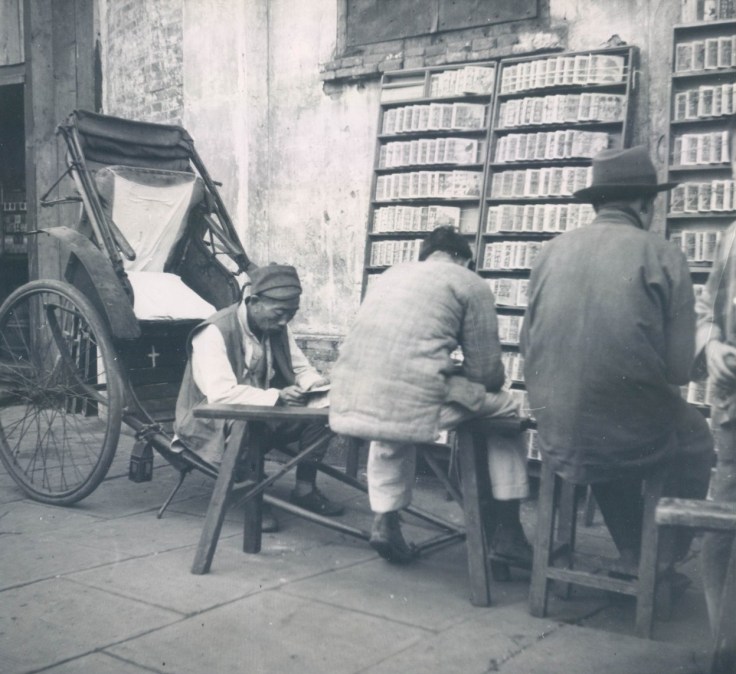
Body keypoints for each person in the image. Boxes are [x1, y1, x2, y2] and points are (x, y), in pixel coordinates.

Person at [521, 145, 714, 573]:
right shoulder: (664, 254)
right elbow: (680, 370)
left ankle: (632, 551)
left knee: (610, 429)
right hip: (625, 426)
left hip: (554, 422)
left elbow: (527, 343)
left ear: (598, 202)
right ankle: (662, 554)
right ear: (646, 204)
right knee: (694, 436)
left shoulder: (549, 251)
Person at [329, 226, 531, 565]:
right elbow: (487, 374)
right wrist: (460, 375)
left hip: (350, 396)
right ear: (464, 260)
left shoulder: (391, 275)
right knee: (509, 410)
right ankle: (508, 531)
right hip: (411, 400)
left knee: (391, 415)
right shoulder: (469, 282)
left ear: (424, 257)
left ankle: (385, 519)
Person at [173, 263, 344, 533]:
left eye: (292, 314)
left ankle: (305, 489)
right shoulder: (214, 331)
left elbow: (299, 367)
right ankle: (255, 498)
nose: (285, 321)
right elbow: (221, 394)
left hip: (262, 409)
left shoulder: (276, 326)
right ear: (253, 301)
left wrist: (315, 385)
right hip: (212, 419)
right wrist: (278, 396)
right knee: (246, 423)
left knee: (323, 412)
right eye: (280, 313)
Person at [694, 114, 736, 634]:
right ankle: (722, 644)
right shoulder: (732, 237)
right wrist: (712, 344)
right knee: (720, 528)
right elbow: (705, 306)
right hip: (732, 413)